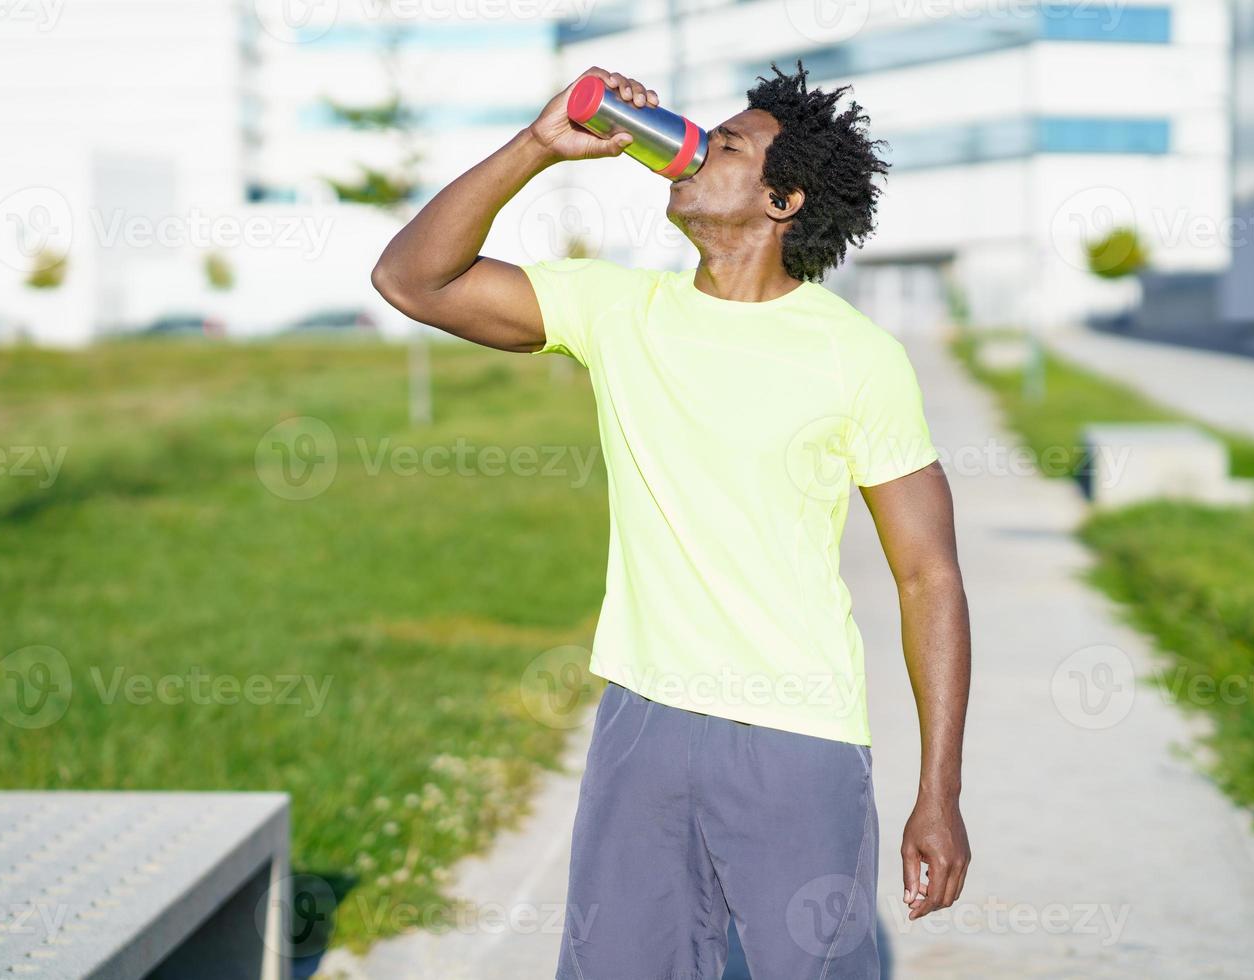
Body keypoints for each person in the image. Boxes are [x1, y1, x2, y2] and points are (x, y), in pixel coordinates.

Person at [372, 60, 971, 980]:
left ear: (784, 201)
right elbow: (411, 278)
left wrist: (939, 792)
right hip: (641, 725)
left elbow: (928, 573)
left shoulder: (858, 357)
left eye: (725, 144)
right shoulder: (617, 308)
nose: (690, 147)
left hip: (795, 736)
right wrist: (538, 146)